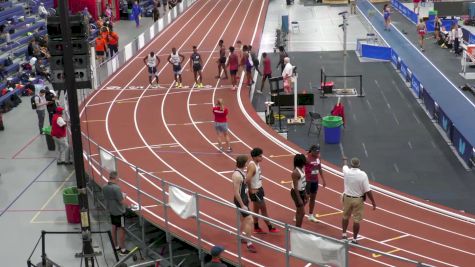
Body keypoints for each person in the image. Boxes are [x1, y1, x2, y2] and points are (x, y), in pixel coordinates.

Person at [341, 157, 376, 244]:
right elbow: (367, 190)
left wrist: (345, 159)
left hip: (347, 198)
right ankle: (354, 239)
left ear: (351, 164)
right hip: (358, 200)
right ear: (359, 165)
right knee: (356, 220)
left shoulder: (347, 171)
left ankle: (344, 234)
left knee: (345, 216)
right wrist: (373, 202)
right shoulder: (363, 175)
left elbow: (344, 166)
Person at [246, 148, 279, 234]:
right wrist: (251, 190)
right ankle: (270, 227)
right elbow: (247, 179)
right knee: (264, 210)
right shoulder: (253, 166)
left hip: (259, 189)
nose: (262, 157)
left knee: (256, 210)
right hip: (256, 191)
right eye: (260, 156)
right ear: (254, 157)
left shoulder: (256, 163)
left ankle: (256, 227)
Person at [232, 155, 257, 253]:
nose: (248, 163)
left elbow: (243, 188)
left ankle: (240, 236)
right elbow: (236, 192)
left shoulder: (242, 172)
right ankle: (249, 243)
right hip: (240, 200)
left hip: (244, 199)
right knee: (249, 220)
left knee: (243, 220)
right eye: (247, 162)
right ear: (244, 163)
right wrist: (242, 205)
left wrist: (247, 198)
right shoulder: (237, 175)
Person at [103, 171, 130, 256]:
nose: (119, 179)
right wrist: (124, 197)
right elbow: (121, 201)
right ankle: (123, 249)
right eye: (118, 178)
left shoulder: (104, 187)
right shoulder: (116, 188)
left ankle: (116, 246)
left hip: (111, 211)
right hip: (119, 212)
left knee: (114, 227)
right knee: (121, 230)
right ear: (115, 178)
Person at [305, 145, 326, 222]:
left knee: (313, 198)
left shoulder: (318, 157)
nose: (318, 153)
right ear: (312, 151)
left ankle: (310, 215)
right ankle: (298, 213)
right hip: (308, 181)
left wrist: (323, 179)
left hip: (315, 181)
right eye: (316, 152)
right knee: (306, 198)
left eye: (318, 152)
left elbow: (319, 168)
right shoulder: (306, 158)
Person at [291, 154, 308, 228]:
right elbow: (295, 187)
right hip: (296, 193)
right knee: (302, 212)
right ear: (301, 162)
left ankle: (298, 228)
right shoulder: (295, 173)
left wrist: (305, 193)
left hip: (301, 191)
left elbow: (302, 182)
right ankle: (298, 228)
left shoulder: (301, 169)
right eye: (304, 160)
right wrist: (299, 199)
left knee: (299, 211)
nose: (306, 161)